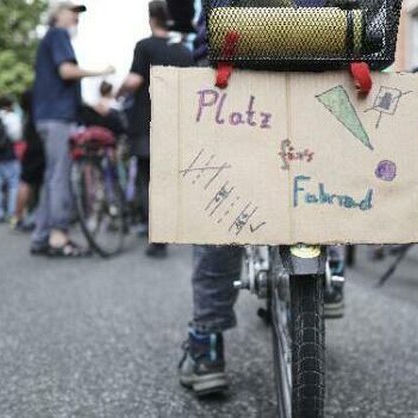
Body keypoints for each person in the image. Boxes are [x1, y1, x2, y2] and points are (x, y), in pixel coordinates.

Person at [175, 1, 344, 395]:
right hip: (322, 39)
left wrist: (180, 16)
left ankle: (206, 344)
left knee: (221, 199)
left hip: (231, 48)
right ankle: (331, 273)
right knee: (323, 166)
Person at [30, 1, 114, 257]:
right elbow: (66, 71)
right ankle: (59, 236)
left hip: (48, 116)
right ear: (58, 14)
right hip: (57, 117)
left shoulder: (49, 39)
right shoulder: (58, 35)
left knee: (51, 176)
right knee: (60, 176)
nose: (77, 17)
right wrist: (101, 71)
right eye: (73, 11)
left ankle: (41, 236)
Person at [118, 0, 194, 259]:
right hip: (176, 126)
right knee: (171, 181)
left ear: (151, 19)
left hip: (148, 124)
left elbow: (134, 80)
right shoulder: (183, 51)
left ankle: (158, 238)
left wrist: (118, 93)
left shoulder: (145, 47)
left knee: (149, 182)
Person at [0, 96, 23, 224]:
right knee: (13, 184)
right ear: (10, 105)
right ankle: (11, 212)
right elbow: (16, 136)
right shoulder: (12, 117)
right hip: (8, 156)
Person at [15, 90, 45, 232]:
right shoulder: (43, 112)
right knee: (38, 183)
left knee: (25, 182)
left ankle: (18, 217)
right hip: (44, 146)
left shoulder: (27, 118)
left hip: (31, 148)